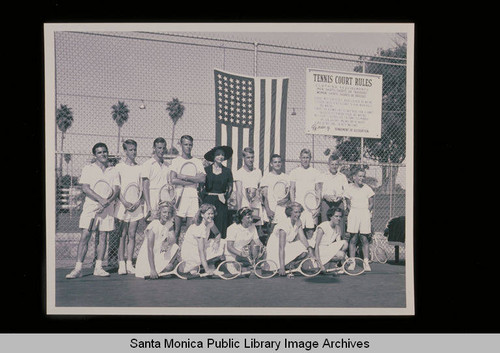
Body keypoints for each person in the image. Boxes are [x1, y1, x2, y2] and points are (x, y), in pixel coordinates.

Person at [66, 143, 119, 278]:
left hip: (107, 209)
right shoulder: (88, 169)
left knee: (103, 237)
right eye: (100, 152)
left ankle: (98, 268)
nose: (103, 154)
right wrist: (101, 200)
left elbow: (117, 190)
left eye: (105, 152)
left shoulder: (113, 170)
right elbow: (85, 188)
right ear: (95, 155)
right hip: (91, 208)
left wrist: (107, 202)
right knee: (85, 236)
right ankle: (78, 269)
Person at [169, 135, 206, 244]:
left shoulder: (197, 161)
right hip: (180, 198)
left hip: (193, 197)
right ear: (181, 145)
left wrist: (184, 177)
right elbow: (173, 180)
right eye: (185, 144)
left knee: (191, 230)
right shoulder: (176, 161)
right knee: (177, 231)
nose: (188, 147)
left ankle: (186, 255)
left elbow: (203, 179)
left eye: (190, 145)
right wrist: (194, 180)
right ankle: (174, 257)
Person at [114, 139, 144, 275]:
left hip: (136, 206)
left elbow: (142, 189)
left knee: (132, 235)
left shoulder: (139, 168)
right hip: (122, 205)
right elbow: (117, 188)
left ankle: (129, 263)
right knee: (123, 235)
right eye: (130, 150)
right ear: (125, 151)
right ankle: (121, 264)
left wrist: (138, 202)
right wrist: (125, 202)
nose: (133, 152)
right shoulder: (119, 167)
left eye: (135, 149)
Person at [266, 202, 315, 276]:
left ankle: (289, 265)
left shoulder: (298, 221)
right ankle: (283, 266)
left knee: (308, 246)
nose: (298, 214)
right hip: (275, 249)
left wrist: (309, 249)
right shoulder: (284, 225)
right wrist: (281, 267)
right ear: (290, 212)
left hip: (287, 246)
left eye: (299, 212)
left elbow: (302, 237)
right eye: (295, 212)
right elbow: (281, 247)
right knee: (302, 249)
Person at [134, 202, 179, 279]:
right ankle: (158, 270)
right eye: (164, 212)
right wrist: (153, 270)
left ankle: (163, 270)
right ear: (159, 212)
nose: (166, 215)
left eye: (169, 212)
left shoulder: (169, 224)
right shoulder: (154, 225)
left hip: (158, 255)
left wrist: (166, 241)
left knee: (175, 247)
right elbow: (149, 249)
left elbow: (173, 241)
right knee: (169, 267)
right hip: (147, 260)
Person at [180, 203, 226, 275]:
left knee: (222, 242)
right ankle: (198, 268)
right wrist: (207, 270)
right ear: (202, 214)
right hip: (191, 252)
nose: (211, 216)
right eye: (208, 214)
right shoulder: (199, 228)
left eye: (212, 213)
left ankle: (210, 266)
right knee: (204, 252)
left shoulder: (210, 222)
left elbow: (218, 234)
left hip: (201, 248)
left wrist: (216, 242)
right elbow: (201, 250)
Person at [344, 166, 375, 272]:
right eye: (360, 176)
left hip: (364, 214)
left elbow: (371, 204)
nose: (362, 178)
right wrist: (353, 212)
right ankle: (352, 262)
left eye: (363, 176)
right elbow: (348, 204)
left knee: (364, 239)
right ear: (354, 177)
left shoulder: (368, 189)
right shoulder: (349, 188)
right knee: (353, 239)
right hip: (353, 213)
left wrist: (366, 213)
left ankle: (366, 262)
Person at [289, 148, 323, 241]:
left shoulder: (316, 172)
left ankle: (310, 253)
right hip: (299, 206)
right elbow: (292, 189)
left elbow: (318, 190)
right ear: (300, 158)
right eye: (303, 157)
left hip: (311, 207)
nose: (305, 160)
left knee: (311, 232)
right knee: (297, 231)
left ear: (310, 158)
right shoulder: (294, 172)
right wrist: (293, 205)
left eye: (307, 157)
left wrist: (318, 207)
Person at [201, 145, 234, 240]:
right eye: (218, 154)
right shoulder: (206, 170)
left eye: (222, 155)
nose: (220, 157)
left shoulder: (227, 171)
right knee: (208, 223)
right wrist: (204, 200)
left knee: (221, 223)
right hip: (208, 201)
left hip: (221, 201)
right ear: (213, 156)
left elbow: (230, 187)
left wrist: (225, 198)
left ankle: (220, 248)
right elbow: (200, 187)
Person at [233, 147, 266, 236]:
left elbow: (259, 190)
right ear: (243, 158)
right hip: (245, 206)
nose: (250, 160)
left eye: (252, 157)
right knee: (244, 231)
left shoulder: (258, 171)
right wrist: (239, 210)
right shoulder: (238, 173)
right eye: (248, 157)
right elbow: (239, 193)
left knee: (256, 231)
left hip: (256, 207)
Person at [260, 154, 290, 238]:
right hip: (271, 210)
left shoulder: (286, 177)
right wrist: (268, 210)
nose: (277, 164)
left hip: (282, 210)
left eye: (279, 162)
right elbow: (264, 197)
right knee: (271, 234)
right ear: (271, 164)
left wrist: (286, 200)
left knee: (282, 233)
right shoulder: (266, 177)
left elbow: (288, 194)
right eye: (275, 162)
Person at [141, 137, 170, 221]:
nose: (162, 150)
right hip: (152, 197)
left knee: (165, 227)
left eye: (164, 148)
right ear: (154, 148)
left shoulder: (167, 165)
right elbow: (145, 187)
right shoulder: (148, 164)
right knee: (152, 227)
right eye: (159, 148)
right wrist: (149, 205)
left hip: (165, 197)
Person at [313, 207, 349, 272]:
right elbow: (316, 245)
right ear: (330, 217)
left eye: (340, 216)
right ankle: (318, 263)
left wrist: (346, 257)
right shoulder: (323, 226)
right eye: (336, 216)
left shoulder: (338, 228)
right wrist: (319, 263)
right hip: (318, 250)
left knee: (343, 248)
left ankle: (339, 264)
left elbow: (339, 244)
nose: (339, 218)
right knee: (342, 252)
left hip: (327, 249)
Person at [320, 153, 348, 233]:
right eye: (332, 164)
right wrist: (325, 196)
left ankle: (340, 242)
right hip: (326, 202)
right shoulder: (323, 175)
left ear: (338, 165)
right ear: (328, 164)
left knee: (340, 225)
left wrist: (341, 196)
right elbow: (319, 190)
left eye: (336, 164)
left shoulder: (342, 176)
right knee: (326, 224)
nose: (334, 166)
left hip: (338, 202)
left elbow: (346, 191)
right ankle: (325, 242)